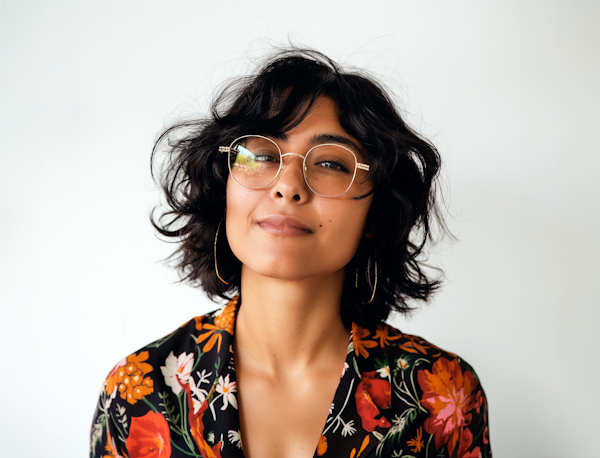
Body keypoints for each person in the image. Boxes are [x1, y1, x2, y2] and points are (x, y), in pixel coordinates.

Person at [90, 48, 491, 458]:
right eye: (261, 156)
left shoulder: (442, 396)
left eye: (332, 164)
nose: (288, 185)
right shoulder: (137, 392)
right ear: (223, 189)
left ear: (376, 212)